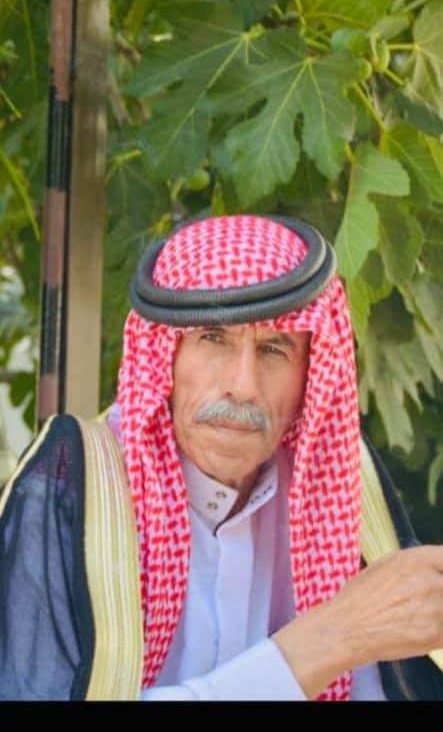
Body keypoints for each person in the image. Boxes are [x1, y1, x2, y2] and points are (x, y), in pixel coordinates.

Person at [1, 214, 442, 702]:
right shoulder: (73, 483)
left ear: (310, 373)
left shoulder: (341, 483)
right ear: (165, 355)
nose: (243, 386)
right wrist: (327, 640)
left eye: (275, 348)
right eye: (212, 338)